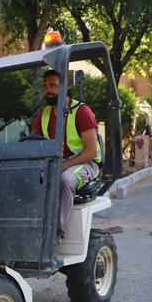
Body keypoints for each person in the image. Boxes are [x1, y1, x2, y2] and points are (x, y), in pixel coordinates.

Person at [30, 69, 101, 239]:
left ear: (64, 87)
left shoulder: (81, 112)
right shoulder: (44, 114)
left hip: (86, 164)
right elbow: (32, 141)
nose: (48, 90)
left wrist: (66, 165)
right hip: (58, 163)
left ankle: (56, 233)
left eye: (53, 85)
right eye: (45, 86)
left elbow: (91, 151)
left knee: (66, 179)